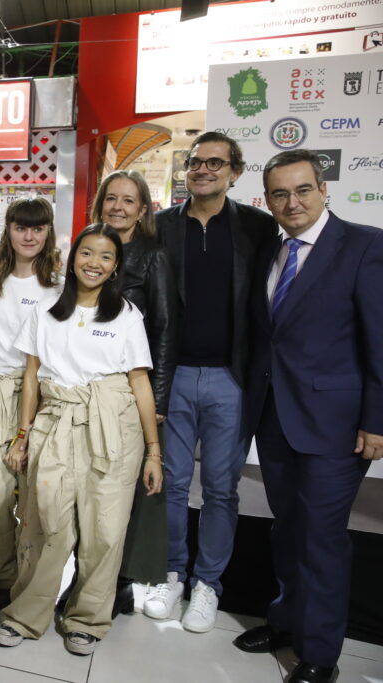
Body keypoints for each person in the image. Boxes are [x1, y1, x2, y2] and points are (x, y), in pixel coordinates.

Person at [233, 149, 383, 683]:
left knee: (321, 538)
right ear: (267, 199)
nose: (291, 202)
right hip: (276, 419)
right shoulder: (271, 251)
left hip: (337, 426)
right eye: (279, 193)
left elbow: (379, 341)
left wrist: (377, 420)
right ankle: (286, 622)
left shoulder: (364, 245)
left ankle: (320, 654)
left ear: (324, 191)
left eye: (302, 190)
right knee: (288, 530)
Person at [0, 224, 163, 656]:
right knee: (45, 519)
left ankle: (87, 619)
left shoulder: (125, 314)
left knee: (105, 528)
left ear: (116, 266)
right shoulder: (46, 309)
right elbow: (31, 376)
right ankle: (26, 614)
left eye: (105, 257)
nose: (94, 264)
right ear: (72, 257)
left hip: (114, 424)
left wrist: (153, 450)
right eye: (87, 253)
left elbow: (140, 381)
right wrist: (22, 435)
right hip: (56, 418)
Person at [146, 132, 276, 632]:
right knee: (172, 485)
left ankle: (208, 586)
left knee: (221, 490)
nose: (202, 170)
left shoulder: (260, 229)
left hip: (231, 379)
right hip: (173, 377)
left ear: (235, 171)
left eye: (214, 163)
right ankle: (172, 573)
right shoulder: (159, 227)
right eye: (195, 162)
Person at [90, 170, 177, 615]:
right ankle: (91, 580)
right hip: (86, 390)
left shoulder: (153, 256)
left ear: (143, 210)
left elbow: (164, 330)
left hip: (131, 391)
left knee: (124, 493)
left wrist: (156, 401)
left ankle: (121, 583)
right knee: (92, 492)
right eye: (111, 199)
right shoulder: (89, 247)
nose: (118, 207)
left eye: (128, 201)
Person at [0, 197, 61, 609]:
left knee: (39, 499)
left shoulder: (59, 284)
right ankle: (1, 578)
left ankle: (32, 581)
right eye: (21, 227)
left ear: (47, 232)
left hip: (44, 395)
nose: (29, 235)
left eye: (37, 228)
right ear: (9, 231)